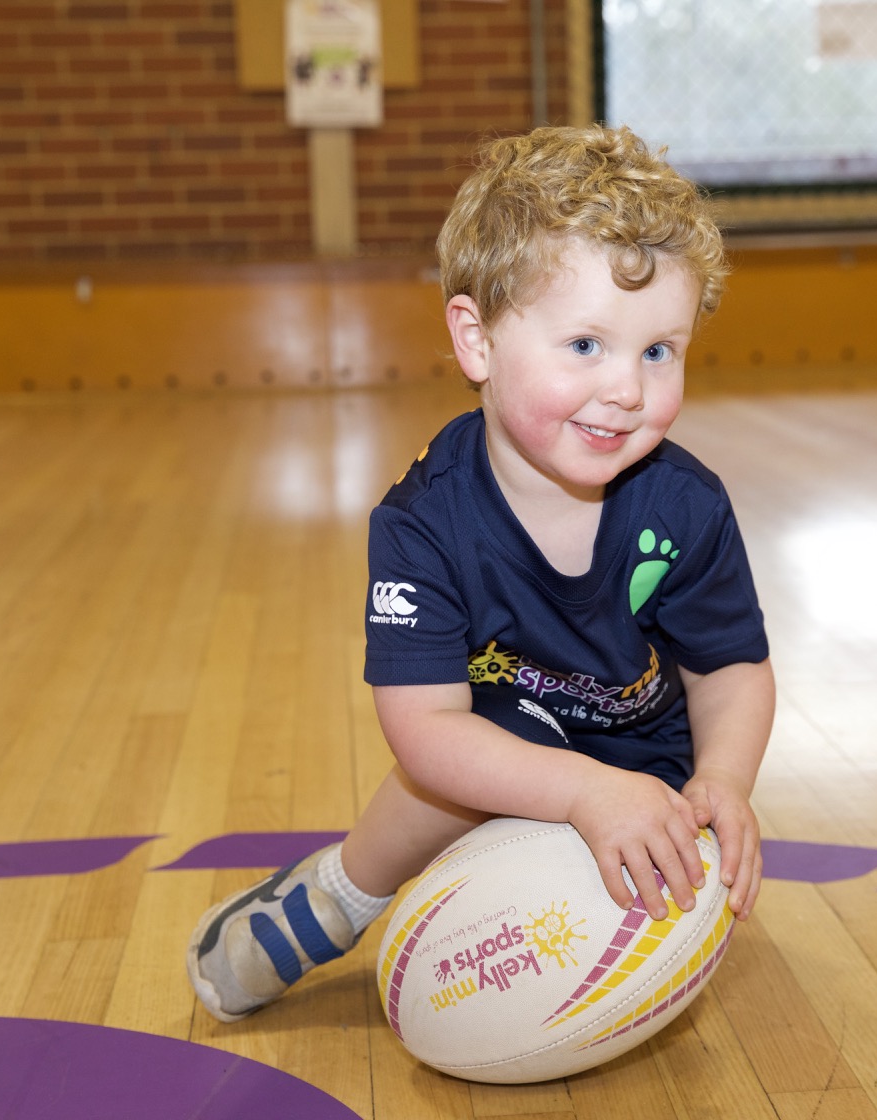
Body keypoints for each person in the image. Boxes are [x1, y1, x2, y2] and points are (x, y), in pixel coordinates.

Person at [187, 124, 775, 1023]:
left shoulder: (685, 506)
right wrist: (579, 790)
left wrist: (723, 783)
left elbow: (731, 669)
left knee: (646, 931)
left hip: (650, 768)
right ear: (477, 341)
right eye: (586, 345)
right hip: (502, 747)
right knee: (442, 787)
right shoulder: (424, 523)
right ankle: (336, 896)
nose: (627, 389)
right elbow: (426, 733)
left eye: (658, 351)